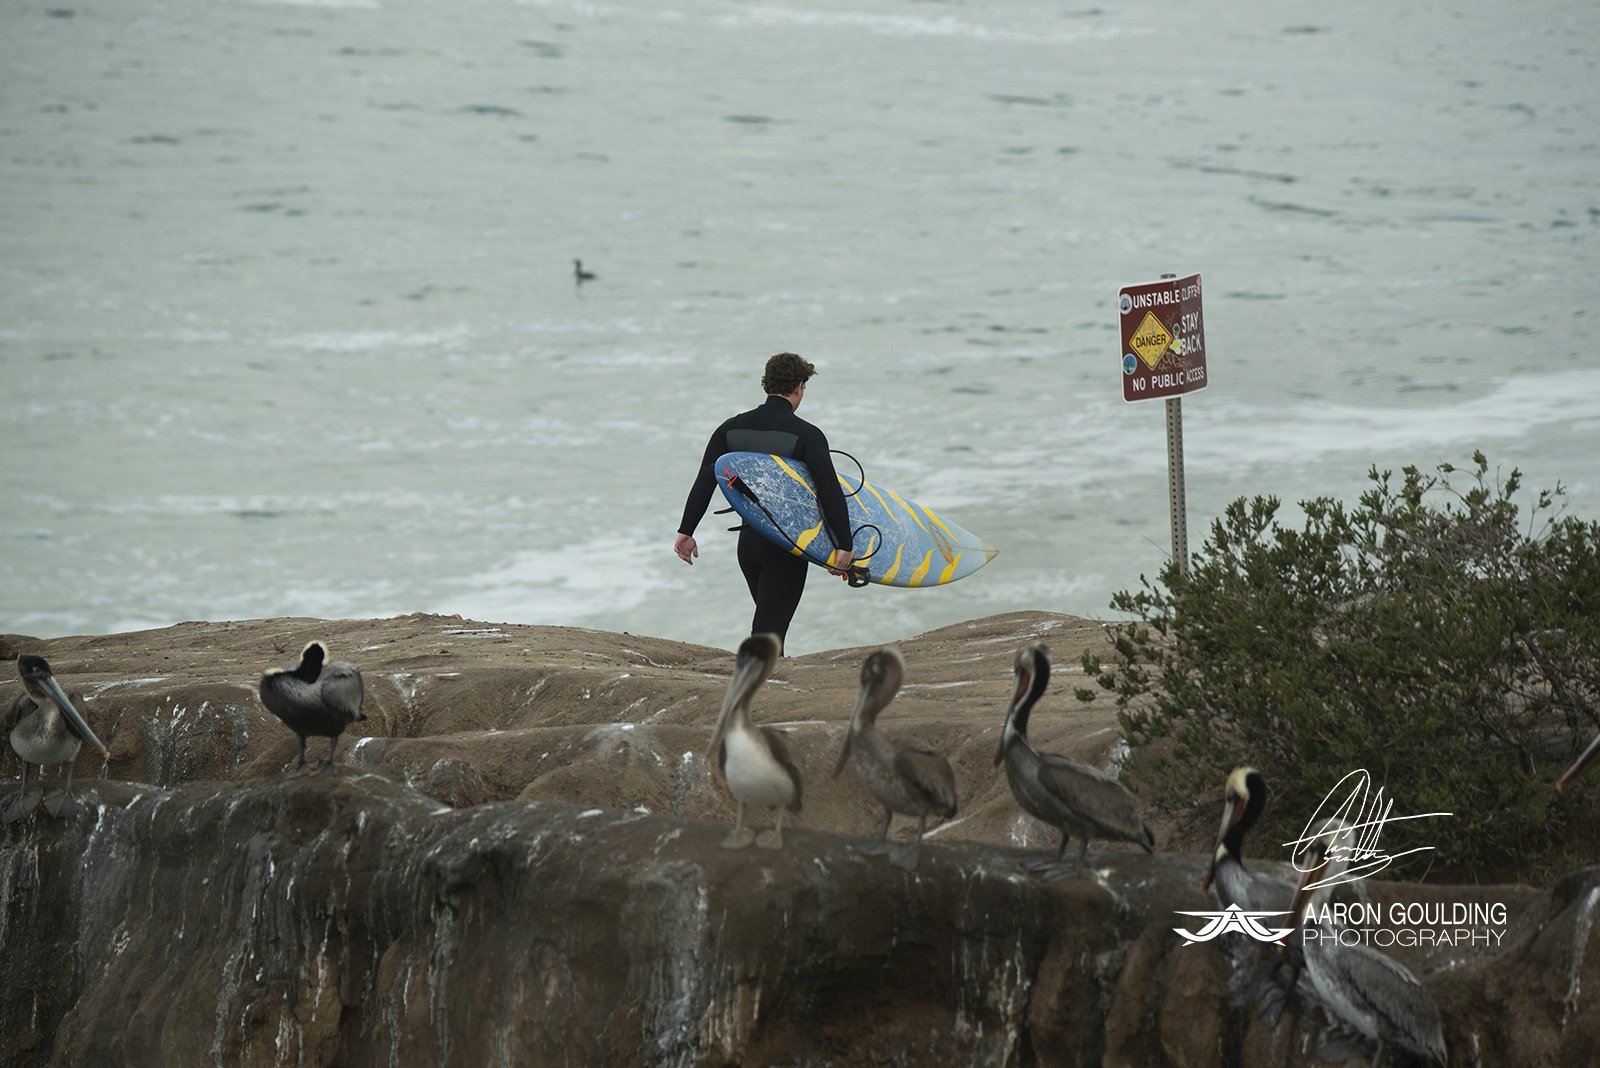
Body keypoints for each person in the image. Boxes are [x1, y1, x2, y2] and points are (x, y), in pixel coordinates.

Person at [674, 352, 856, 651]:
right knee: (768, 634)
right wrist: (844, 545)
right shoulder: (807, 435)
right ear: (799, 386)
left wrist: (686, 530)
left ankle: (765, 684)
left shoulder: (730, 429)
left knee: (771, 626)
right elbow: (829, 491)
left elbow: (707, 479)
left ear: (766, 383)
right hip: (786, 547)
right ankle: (759, 690)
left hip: (749, 545)